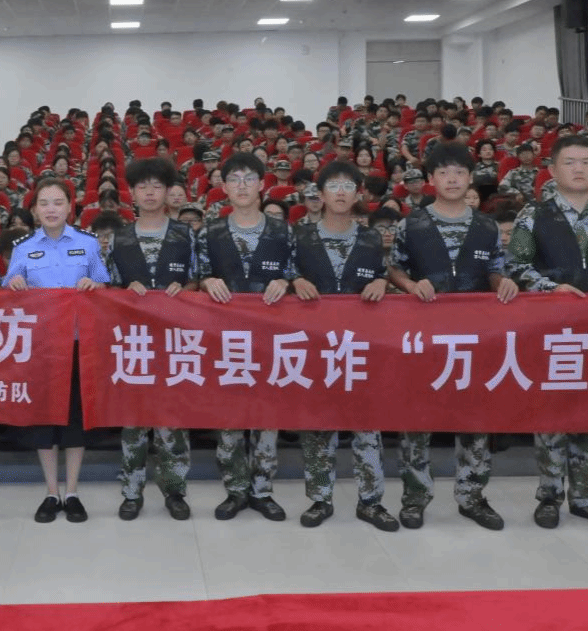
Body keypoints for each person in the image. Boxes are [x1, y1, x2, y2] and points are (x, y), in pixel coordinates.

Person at [505, 134, 588, 530]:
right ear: (552, 170)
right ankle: (549, 495)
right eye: (570, 162)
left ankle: (585, 495)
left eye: (586, 162)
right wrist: (551, 289)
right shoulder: (533, 215)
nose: (579, 169)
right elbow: (516, 267)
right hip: (551, 330)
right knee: (551, 412)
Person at [387, 143, 518, 532]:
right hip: (424, 335)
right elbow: (394, 269)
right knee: (417, 418)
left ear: (470, 178)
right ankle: (415, 497)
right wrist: (411, 286)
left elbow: (495, 268)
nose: (452, 179)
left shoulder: (486, 226)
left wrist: (502, 282)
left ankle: (472, 496)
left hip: (474, 336)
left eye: (460, 172)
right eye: (443, 172)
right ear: (431, 179)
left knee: (475, 416)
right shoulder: (412, 224)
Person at [288, 161, 395, 530]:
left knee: (368, 426)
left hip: (359, 348)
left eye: (348, 186)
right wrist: (295, 280)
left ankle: (371, 501)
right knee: (319, 427)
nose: (339, 192)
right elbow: (282, 274)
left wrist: (382, 283)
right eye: (332, 185)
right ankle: (320, 499)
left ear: (358, 193)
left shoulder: (371, 239)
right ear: (320, 193)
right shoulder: (300, 236)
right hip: (315, 346)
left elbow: (384, 274)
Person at [199, 152, 297, 522]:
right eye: (234, 179)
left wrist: (285, 280)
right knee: (229, 414)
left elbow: (298, 273)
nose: (242, 186)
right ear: (223, 187)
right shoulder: (210, 231)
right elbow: (199, 274)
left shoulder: (283, 231)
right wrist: (207, 280)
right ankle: (235, 489)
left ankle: (262, 490)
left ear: (262, 185)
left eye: (249, 178)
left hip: (270, 336)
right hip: (225, 338)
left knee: (267, 414)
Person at [4, 176, 108, 523]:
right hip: (41, 346)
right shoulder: (23, 247)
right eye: (44, 203)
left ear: (69, 207)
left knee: (75, 419)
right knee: (45, 420)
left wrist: (95, 284)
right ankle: (51, 491)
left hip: (78, 343)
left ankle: (72, 491)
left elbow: (105, 284)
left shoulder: (88, 243)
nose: (51, 209)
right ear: (35, 210)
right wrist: (15, 283)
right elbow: (7, 287)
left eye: (58, 202)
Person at [106, 158, 197, 522]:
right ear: (131, 193)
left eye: (156, 186)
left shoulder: (186, 234)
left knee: (172, 419)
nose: (149, 192)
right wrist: (124, 290)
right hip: (134, 341)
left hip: (176, 341)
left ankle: (175, 491)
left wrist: (187, 288)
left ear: (169, 192)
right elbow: (109, 288)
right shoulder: (119, 237)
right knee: (134, 421)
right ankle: (131, 492)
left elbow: (199, 279)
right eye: (142, 186)